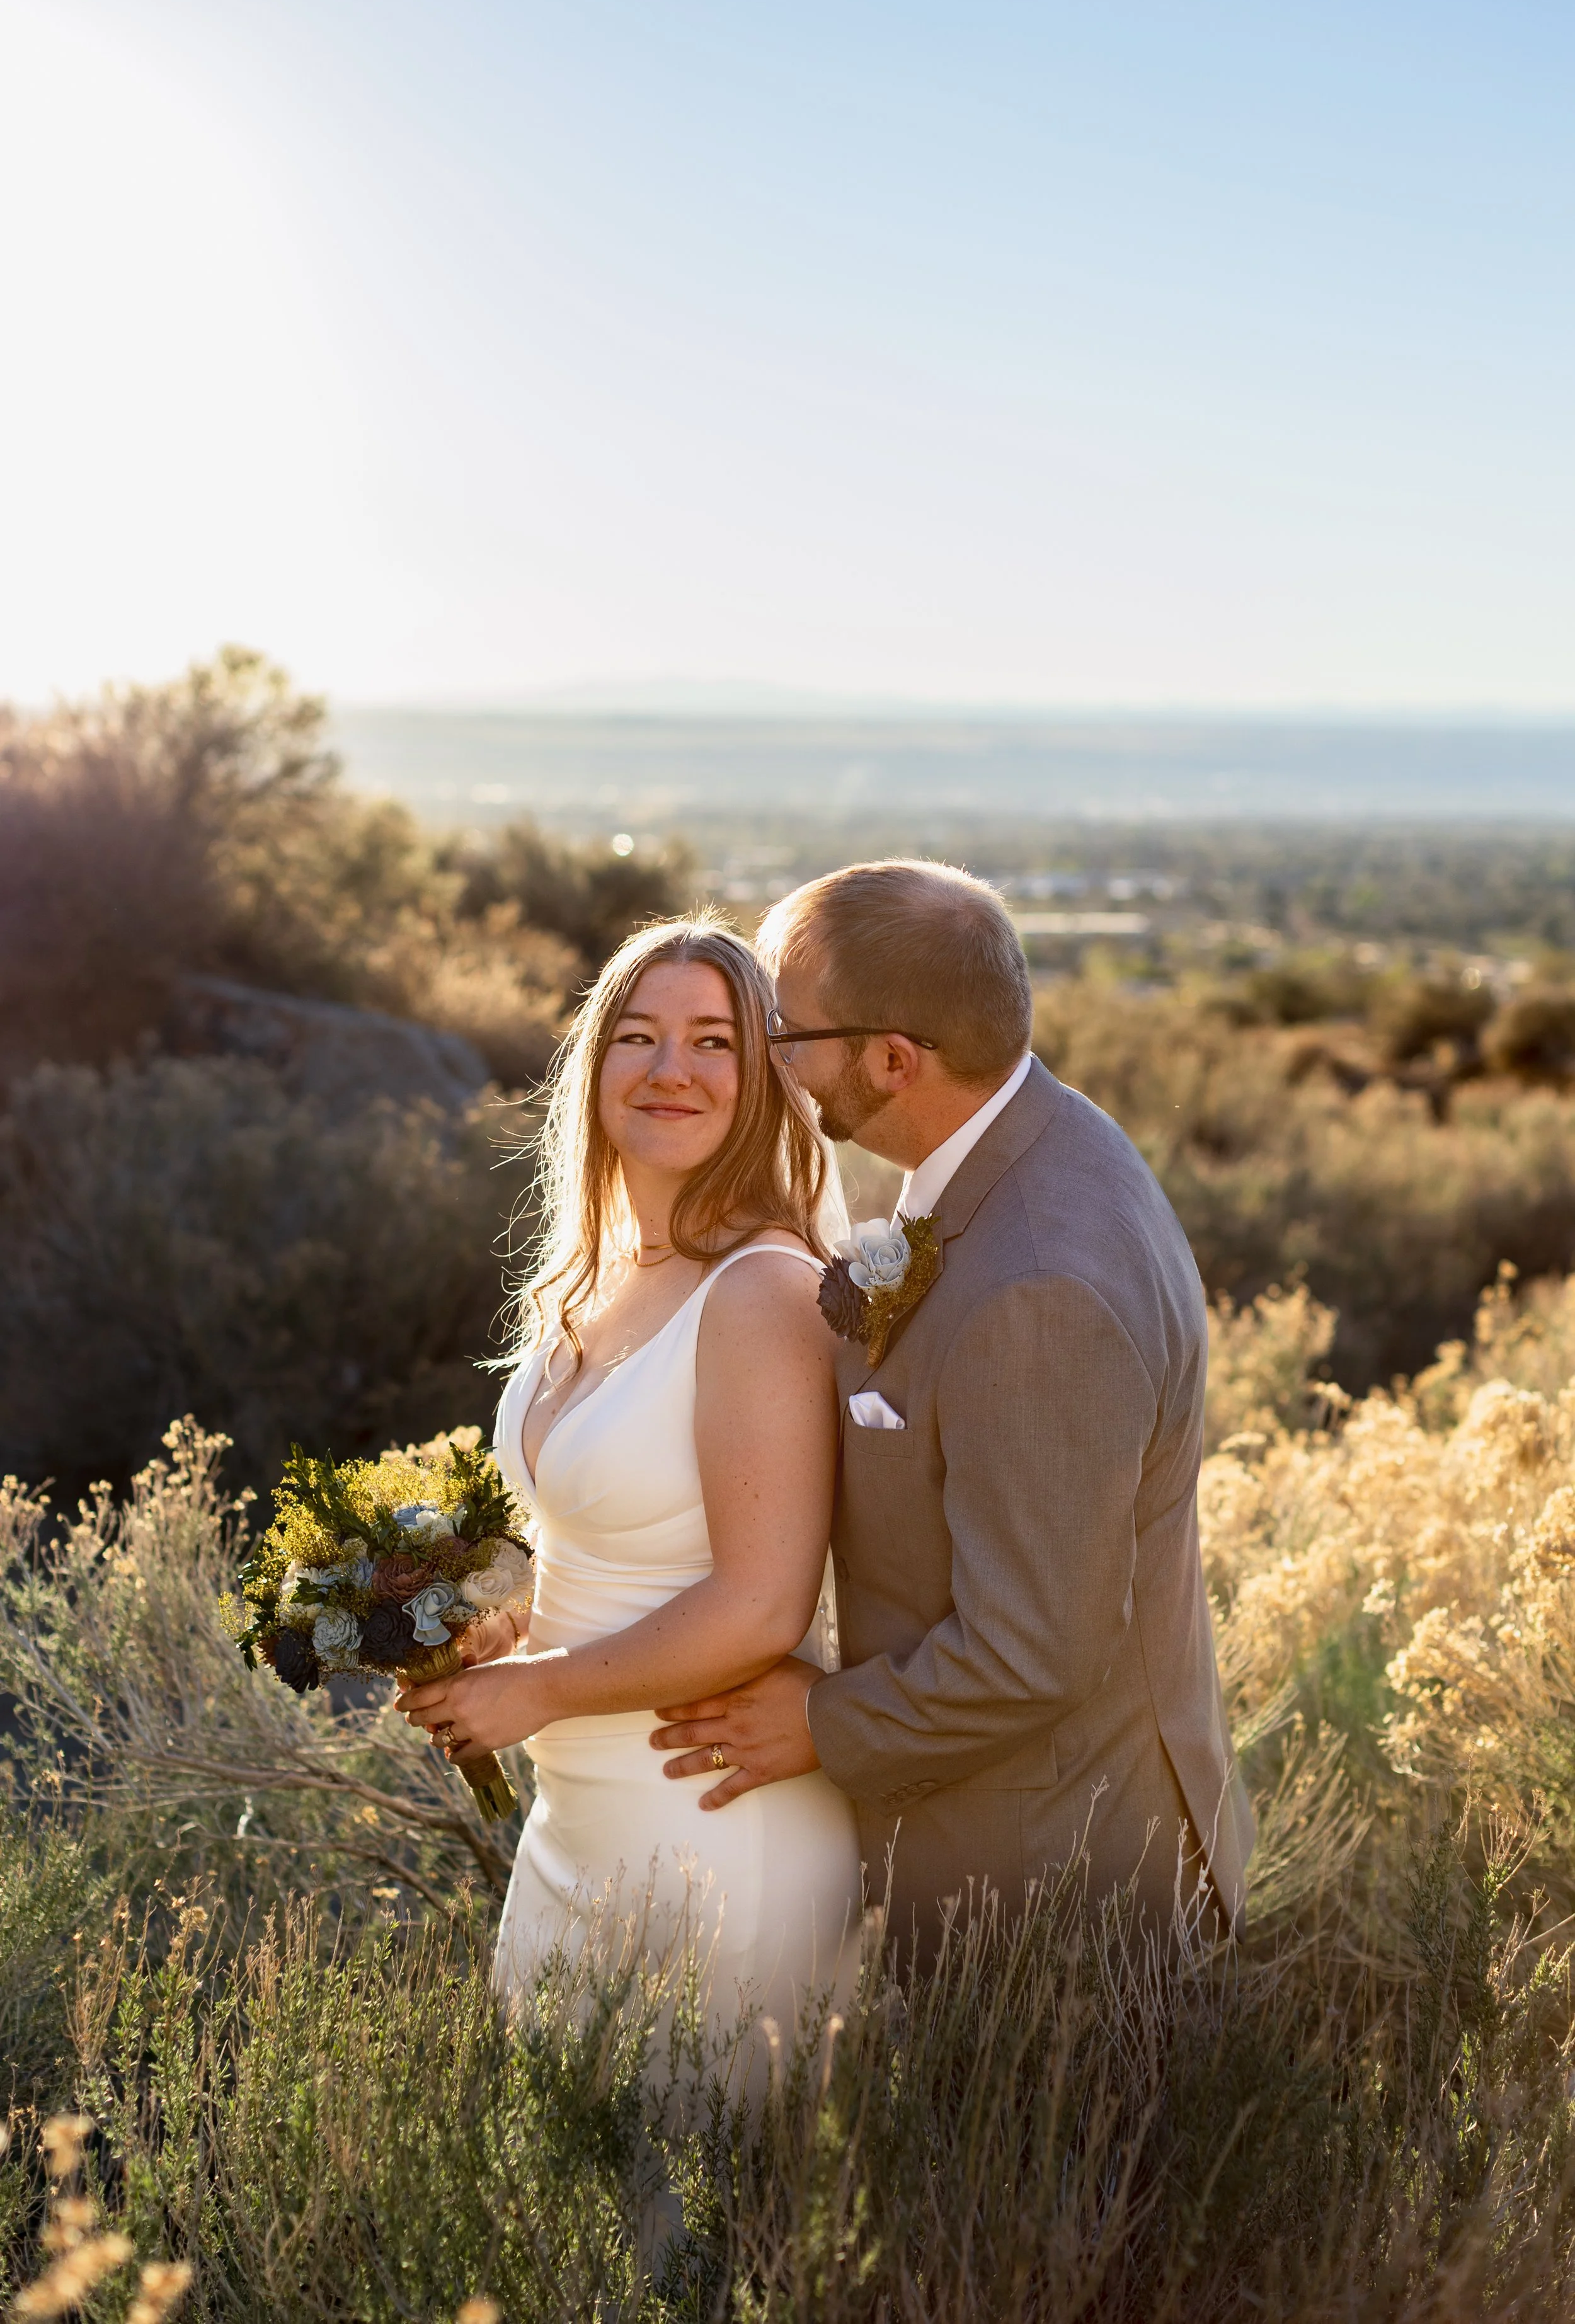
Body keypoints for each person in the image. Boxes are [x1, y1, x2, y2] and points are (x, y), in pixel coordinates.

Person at [651, 861, 1253, 1959]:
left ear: (894, 1059)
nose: (774, 1059)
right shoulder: (1035, 1137)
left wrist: (821, 1726)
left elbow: (1030, 1652)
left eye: (790, 1033)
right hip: (1024, 1844)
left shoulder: (1038, 1290)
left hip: (1058, 1892)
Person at [396, 918, 861, 2034]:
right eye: (639, 1037)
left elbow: (760, 1602)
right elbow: (594, 1542)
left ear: (764, 1081)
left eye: (714, 1043)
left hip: (709, 1821)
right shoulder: (590, 1282)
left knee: (705, 2200)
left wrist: (537, 1688)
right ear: (595, 1065)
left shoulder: (762, 1292)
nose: (670, 1071)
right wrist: (498, 1636)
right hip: (576, 1823)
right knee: (565, 2186)